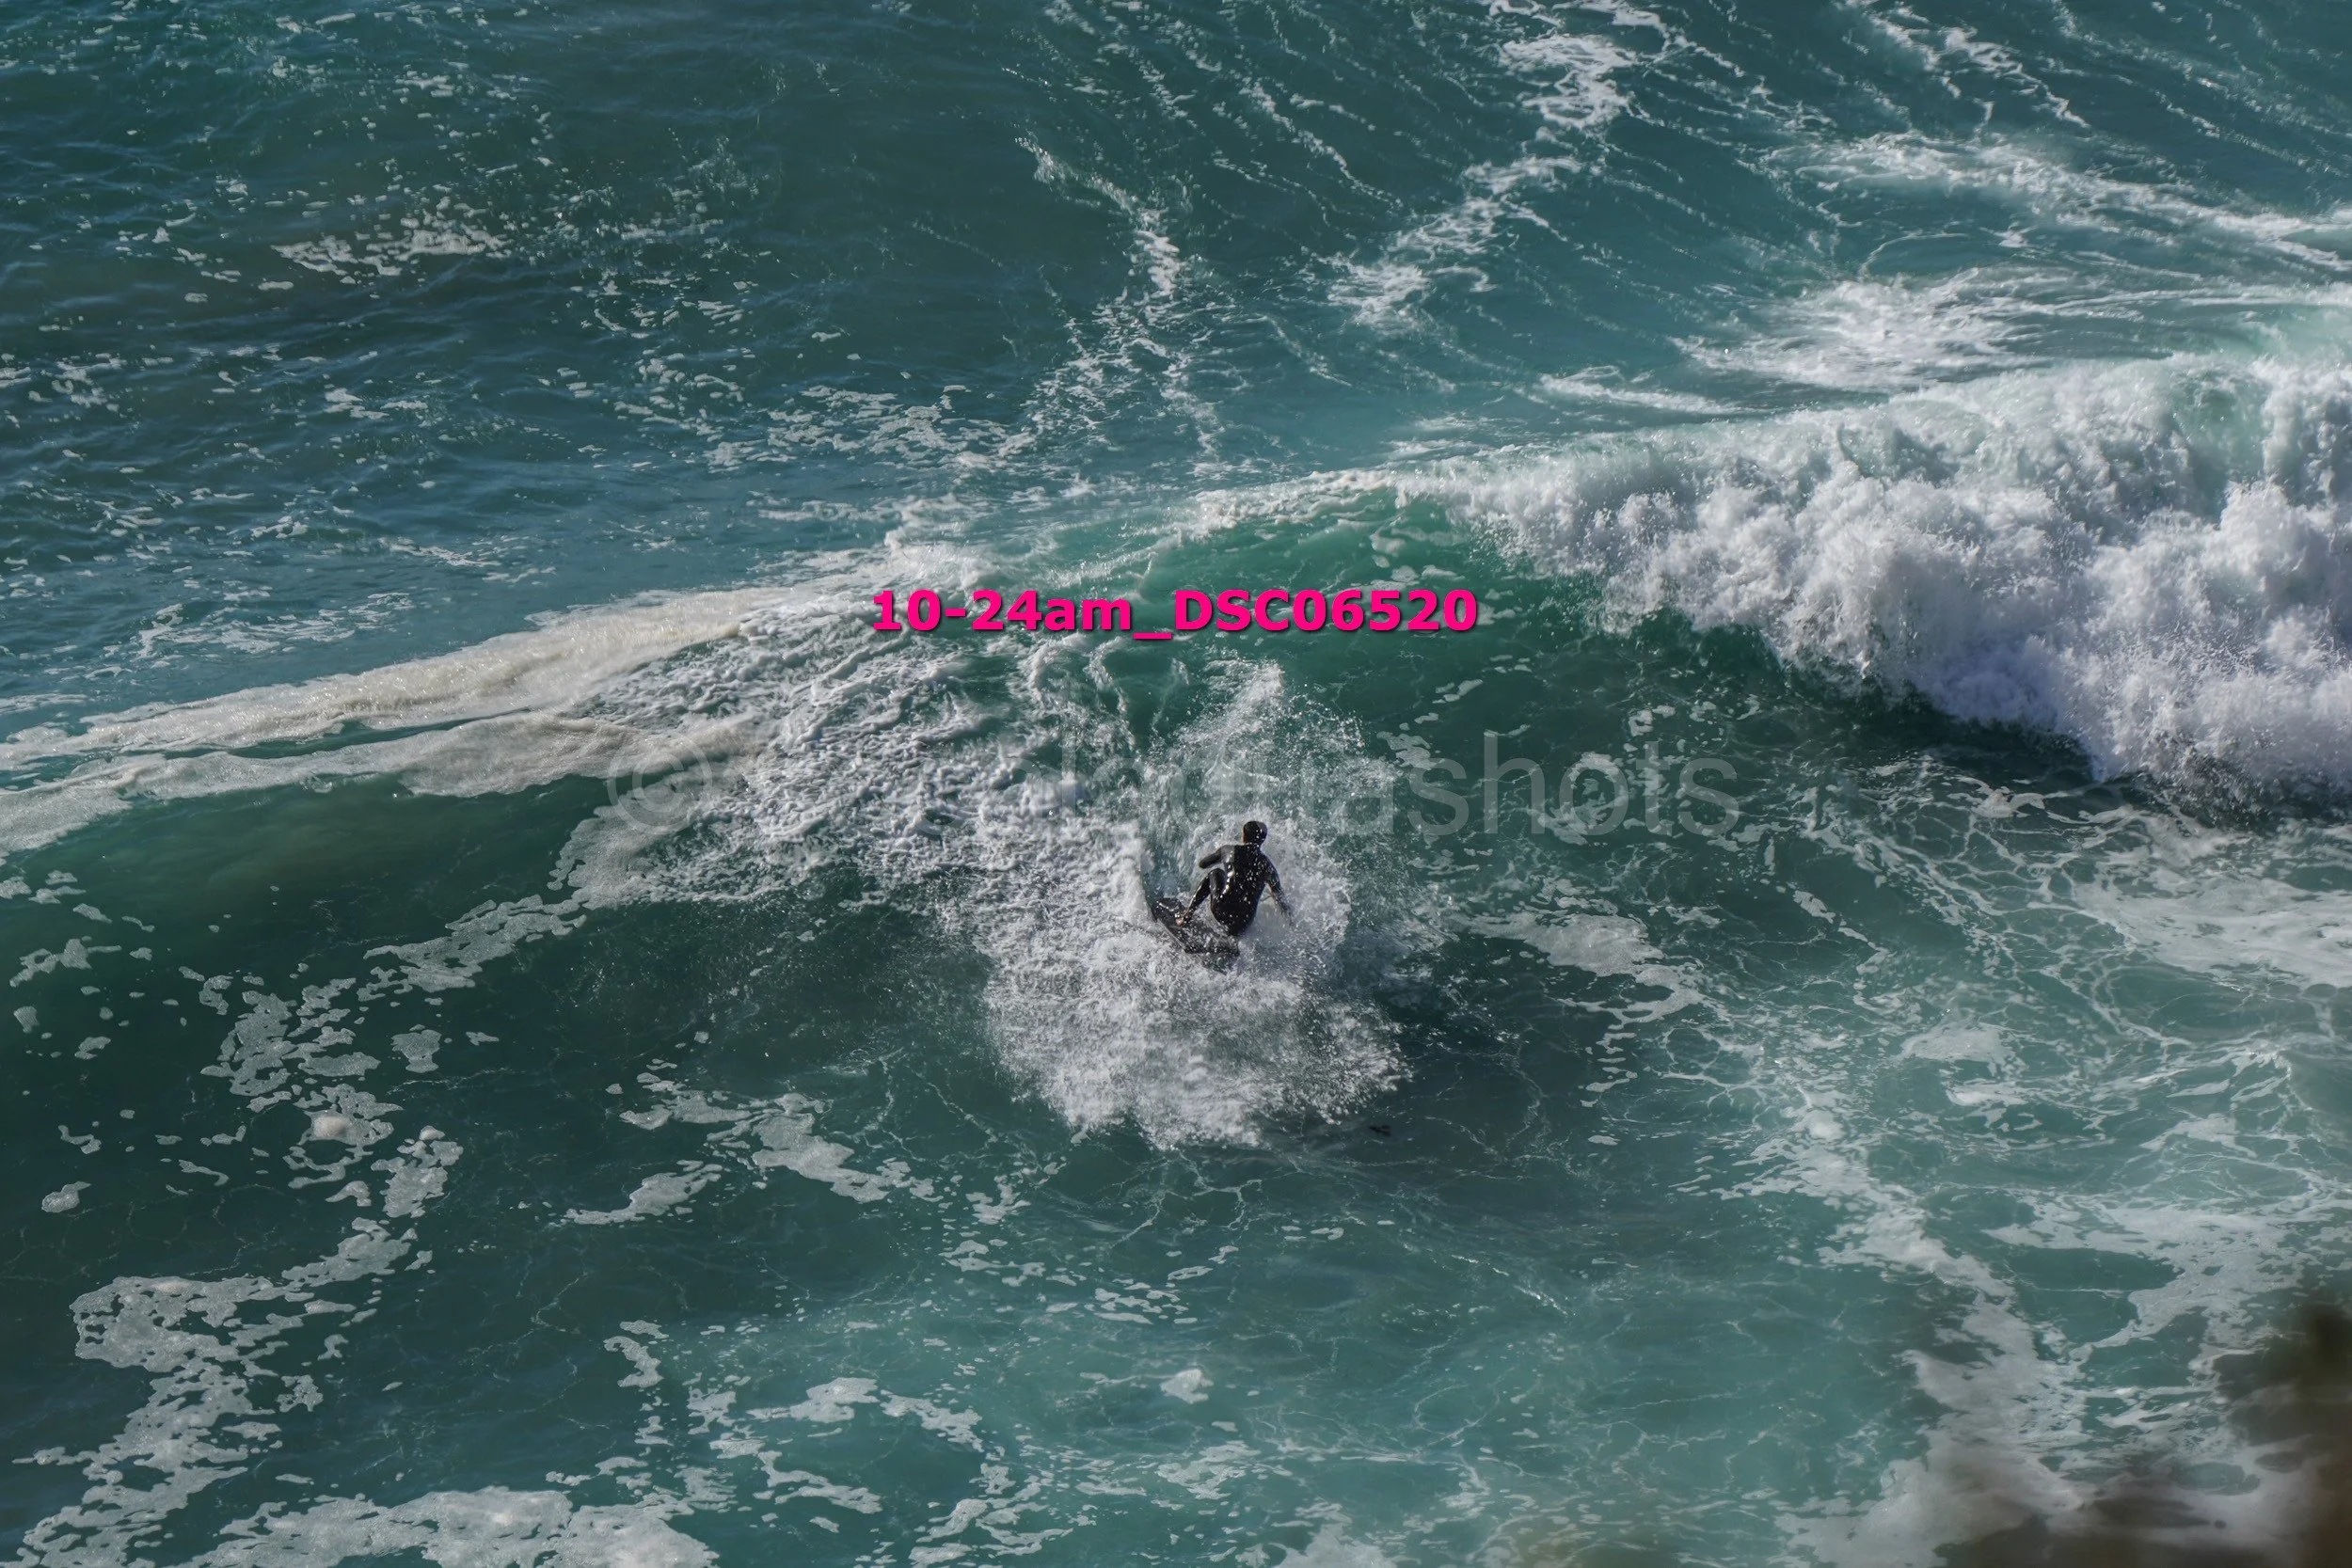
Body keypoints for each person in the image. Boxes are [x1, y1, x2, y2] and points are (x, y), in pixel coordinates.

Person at [1179, 821, 1293, 938]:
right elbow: (1280, 897)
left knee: (1216, 873)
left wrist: (1220, 855)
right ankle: (1233, 936)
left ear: (1244, 836)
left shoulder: (1229, 851)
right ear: (1262, 841)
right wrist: (1290, 920)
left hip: (1221, 911)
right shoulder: (1268, 866)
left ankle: (1187, 915)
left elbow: (1203, 864)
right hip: (1244, 923)